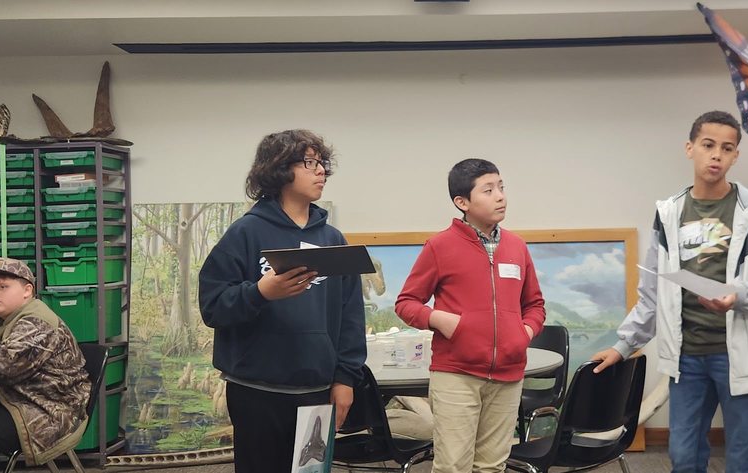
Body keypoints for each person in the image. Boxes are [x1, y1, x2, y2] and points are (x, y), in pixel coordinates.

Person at [591, 111, 748, 473]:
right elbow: (653, 293)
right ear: (690, 149)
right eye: (708, 145)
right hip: (685, 360)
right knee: (683, 458)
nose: (716, 155)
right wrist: (623, 346)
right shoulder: (668, 214)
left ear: (735, 157)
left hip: (740, 357)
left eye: (726, 148)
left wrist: (738, 296)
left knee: (743, 460)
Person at [198, 130, 366, 473]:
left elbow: (351, 317)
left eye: (322, 163)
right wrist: (260, 292)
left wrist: (346, 379)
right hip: (255, 391)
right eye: (309, 163)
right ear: (278, 169)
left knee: (310, 471)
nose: (320, 171)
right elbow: (212, 305)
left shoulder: (333, 240)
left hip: (317, 392)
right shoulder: (245, 233)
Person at [395, 158, 546, 473]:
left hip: (508, 376)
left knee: (492, 466)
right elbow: (407, 303)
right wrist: (440, 319)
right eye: (488, 190)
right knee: (453, 467)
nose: (500, 196)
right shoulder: (439, 246)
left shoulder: (517, 247)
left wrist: (525, 333)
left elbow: (535, 305)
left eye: (501, 187)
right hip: (456, 375)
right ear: (461, 202)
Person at [0, 257, 90, 473]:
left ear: (27, 291)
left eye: (3, 287)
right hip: (19, 395)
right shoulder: (2, 319)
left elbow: (1, 368)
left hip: (48, 409)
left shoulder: (36, 322)